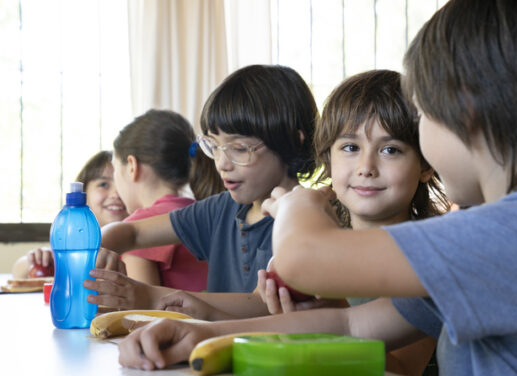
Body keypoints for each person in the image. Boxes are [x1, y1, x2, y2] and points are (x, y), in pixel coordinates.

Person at [115, 1, 517, 374]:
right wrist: (205, 335)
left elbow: (302, 258)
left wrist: (299, 203)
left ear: (466, 111)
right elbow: (353, 326)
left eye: (422, 115)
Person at [116, 69, 447, 374]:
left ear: (427, 163)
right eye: (349, 147)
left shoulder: (431, 252)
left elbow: (399, 369)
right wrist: (201, 318)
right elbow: (268, 310)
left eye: (390, 150)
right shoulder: (324, 234)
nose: (366, 166)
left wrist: (330, 306)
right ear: (327, 157)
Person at [83, 65, 318, 317]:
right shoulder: (220, 210)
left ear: (293, 140)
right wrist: (103, 246)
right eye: (214, 146)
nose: (222, 163)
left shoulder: (304, 219)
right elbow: (131, 232)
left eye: (239, 148)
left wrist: (150, 296)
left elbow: (262, 305)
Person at [111, 109, 222, 290]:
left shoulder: (139, 226)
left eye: (115, 168)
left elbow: (143, 312)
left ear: (132, 166)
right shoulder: (201, 212)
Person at [11, 151, 128, 279]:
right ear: (84, 194)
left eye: (123, 184)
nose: (115, 194)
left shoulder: (139, 249)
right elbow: (18, 272)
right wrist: (38, 259)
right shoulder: (73, 243)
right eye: (103, 184)